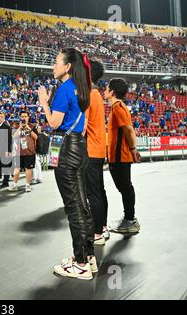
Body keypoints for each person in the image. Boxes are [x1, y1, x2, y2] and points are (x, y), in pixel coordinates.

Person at [37, 48, 95, 280]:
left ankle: (80, 263)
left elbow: (53, 123)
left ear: (67, 66)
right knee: (82, 204)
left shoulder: (63, 90)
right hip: (79, 147)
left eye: (56, 62)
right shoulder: (81, 89)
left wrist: (43, 102)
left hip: (66, 149)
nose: (53, 66)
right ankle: (88, 256)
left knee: (73, 207)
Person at [104, 78, 141, 234]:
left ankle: (130, 220)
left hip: (121, 156)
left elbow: (129, 130)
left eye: (106, 88)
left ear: (112, 92)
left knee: (125, 187)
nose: (104, 90)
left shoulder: (119, 108)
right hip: (116, 156)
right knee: (124, 187)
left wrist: (133, 149)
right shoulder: (115, 108)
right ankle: (129, 218)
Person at [83, 60, 109, 245]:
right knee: (98, 191)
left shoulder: (89, 95)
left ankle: (97, 232)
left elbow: (82, 127)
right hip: (98, 149)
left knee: (92, 194)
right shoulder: (97, 94)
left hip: (90, 150)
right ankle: (103, 226)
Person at [8, 110, 38, 192]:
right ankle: (14, 185)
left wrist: (28, 128)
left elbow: (36, 137)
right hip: (19, 152)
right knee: (17, 168)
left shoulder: (32, 126)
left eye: (25, 116)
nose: (24, 118)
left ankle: (27, 185)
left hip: (30, 151)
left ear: (28, 117)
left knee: (28, 169)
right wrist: (20, 128)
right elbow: (13, 137)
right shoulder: (17, 126)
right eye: (22, 116)